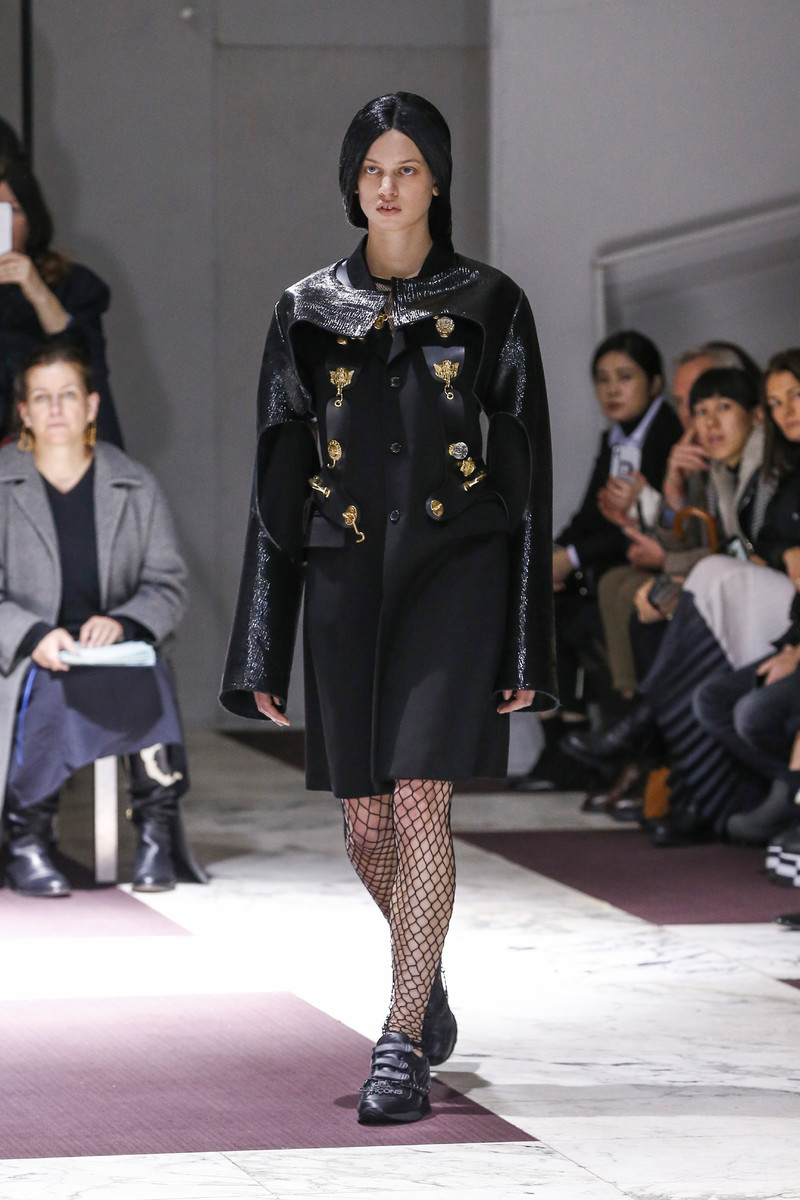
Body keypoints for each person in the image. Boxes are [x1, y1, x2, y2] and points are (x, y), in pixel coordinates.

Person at [221, 92, 556, 1124]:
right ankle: (426, 971)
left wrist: (525, 643)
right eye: (372, 168)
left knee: (419, 803)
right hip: (346, 579)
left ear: (437, 180)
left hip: (455, 575)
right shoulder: (306, 307)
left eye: (407, 167)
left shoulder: (492, 302)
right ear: (351, 182)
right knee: (366, 828)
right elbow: (276, 482)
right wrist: (260, 646)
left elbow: (528, 474)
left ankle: (399, 1044)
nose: (388, 185)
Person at [0, 335, 205, 896]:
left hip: (114, 652)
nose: (56, 408)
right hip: (28, 655)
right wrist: (34, 634)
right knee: (50, 680)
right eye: (42, 397)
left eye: (68, 394)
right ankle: (27, 838)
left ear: (91, 405)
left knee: (147, 670)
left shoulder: (133, 484)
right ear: (24, 412)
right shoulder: (3, 485)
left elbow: (167, 583)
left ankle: (156, 833)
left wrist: (126, 622)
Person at [564, 366, 773, 839]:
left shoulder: (767, 468)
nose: (708, 423)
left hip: (770, 607)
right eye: (699, 411)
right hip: (733, 597)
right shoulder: (718, 470)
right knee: (649, 612)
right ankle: (682, 786)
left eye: (723, 408)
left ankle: (643, 730)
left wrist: (670, 581)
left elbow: (722, 559)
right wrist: (674, 487)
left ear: (755, 415)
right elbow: (695, 550)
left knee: (663, 604)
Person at [515, 328, 681, 791]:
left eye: (625, 377)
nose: (612, 390)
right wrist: (550, 558)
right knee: (539, 603)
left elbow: (627, 530)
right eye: (603, 379)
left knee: (577, 610)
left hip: (641, 567)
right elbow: (591, 516)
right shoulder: (616, 437)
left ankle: (609, 753)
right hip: (607, 566)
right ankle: (561, 743)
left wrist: (569, 557)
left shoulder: (667, 434)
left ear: (655, 382)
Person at [694, 350, 800, 847]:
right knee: (714, 699)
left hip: (785, 616)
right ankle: (784, 792)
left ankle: (786, 803)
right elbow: (764, 542)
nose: (786, 411)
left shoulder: (765, 467)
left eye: (795, 396)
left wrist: (796, 646)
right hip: (790, 617)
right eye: (777, 402)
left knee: (753, 712)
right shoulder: (785, 467)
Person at [0, 154, 123, 445]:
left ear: (31, 220)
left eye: (10, 211)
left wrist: (36, 290)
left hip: (52, 445)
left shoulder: (72, 284)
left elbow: (87, 365)